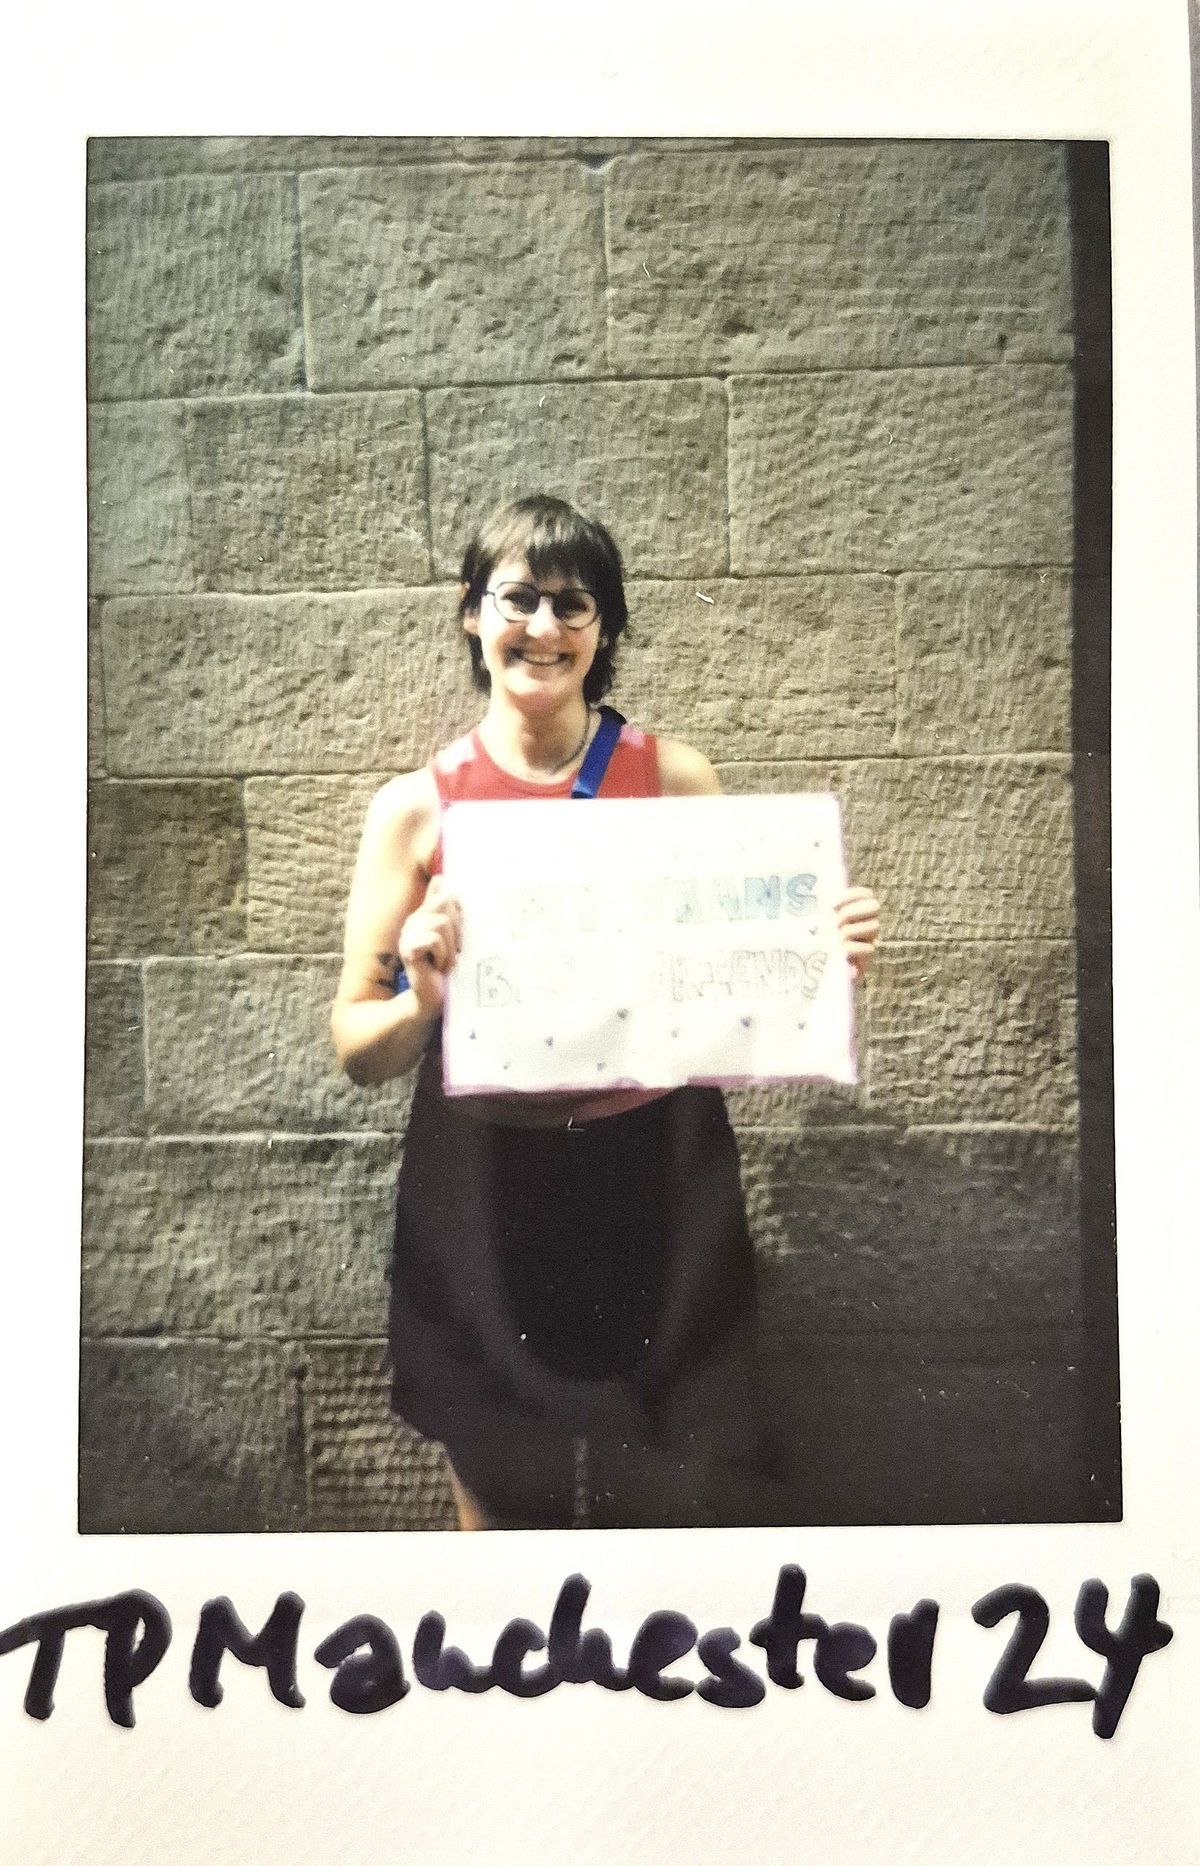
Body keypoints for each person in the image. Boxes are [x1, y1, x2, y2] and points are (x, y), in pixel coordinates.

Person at [331, 494, 880, 1530]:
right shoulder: (415, 807)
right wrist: (424, 1000)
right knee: (500, 1522)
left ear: (607, 629)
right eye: (519, 599)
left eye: (574, 604)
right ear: (469, 613)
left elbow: (744, 987)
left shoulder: (673, 779)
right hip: (486, 1186)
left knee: (660, 1512)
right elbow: (358, 1046)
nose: (544, 628)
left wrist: (824, 963)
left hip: (654, 1175)